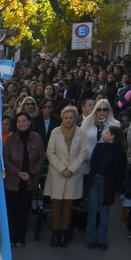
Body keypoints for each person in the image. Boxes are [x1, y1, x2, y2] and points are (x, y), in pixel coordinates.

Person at [44, 105, 91, 248]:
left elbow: (83, 154)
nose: (69, 120)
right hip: (57, 173)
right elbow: (50, 152)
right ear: (62, 118)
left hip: (73, 174)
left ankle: (64, 233)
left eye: (71, 117)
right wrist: (62, 168)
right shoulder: (55, 132)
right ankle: (55, 233)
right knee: (57, 205)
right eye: (66, 117)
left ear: (75, 118)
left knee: (68, 206)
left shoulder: (81, 133)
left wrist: (71, 169)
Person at [3, 112, 45, 248]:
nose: (22, 123)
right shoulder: (10, 139)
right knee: (11, 211)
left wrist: (31, 174)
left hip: (29, 182)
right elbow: (6, 159)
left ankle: (21, 238)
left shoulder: (37, 138)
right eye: (19, 121)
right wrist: (18, 172)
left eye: (24, 120)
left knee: (24, 211)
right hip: (12, 181)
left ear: (29, 122)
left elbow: (41, 159)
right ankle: (11, 238)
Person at [84, 125, 127, 249]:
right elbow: (93, 165)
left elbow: (121, 172)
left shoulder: (119, 152)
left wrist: (116, 186)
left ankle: (102, 239)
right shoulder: (100, 147)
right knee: (92, 210)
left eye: (107, 132)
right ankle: (90, 238)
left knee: (104, 212)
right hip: (95, 180)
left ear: (113, 135)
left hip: (108, 184)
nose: (104, 133)